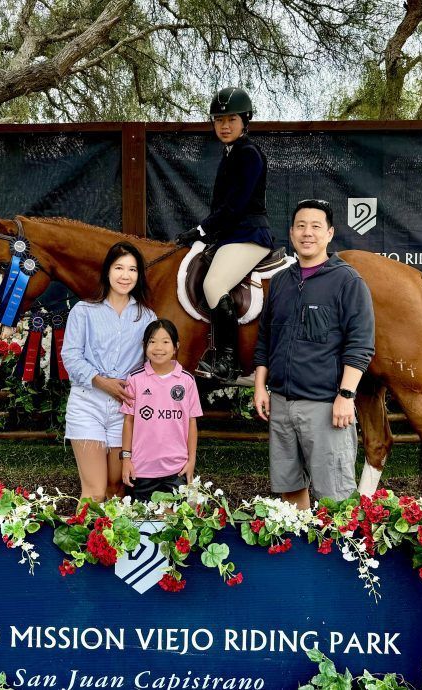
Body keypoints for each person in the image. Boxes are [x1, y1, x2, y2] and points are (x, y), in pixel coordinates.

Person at [252, 200, 375, 508]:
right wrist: (260, 387)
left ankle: (339, 554)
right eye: (301, 226)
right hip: (281, 403)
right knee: (290, 489)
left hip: (325, 405)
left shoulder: (348, 281)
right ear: (292, 233)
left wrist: (346, 395)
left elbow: (360, 344)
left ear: (329, 234)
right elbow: (266, 338)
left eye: (316, 226)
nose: (308, 233)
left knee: (335, 497)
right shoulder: (281, 281)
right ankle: (301, 554)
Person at [175, 86, 273, 381]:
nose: (225, 126)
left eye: (231, 119)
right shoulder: (230, 154)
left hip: (249, 234)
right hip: (232, 234)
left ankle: (227, 360)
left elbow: (236, 206)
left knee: (214, 284)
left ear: (245, 121)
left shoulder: (249, 154)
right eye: (219, 120)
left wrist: (202, 229)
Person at [62, 242, 157, 501]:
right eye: (119, 268)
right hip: (87, 405)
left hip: (123, 410)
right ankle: (85, 541)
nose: (125, 275)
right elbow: (70, 356)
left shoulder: (147, 317)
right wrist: (102, 382)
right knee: (94, 491)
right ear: (107, 271)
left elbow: (151, 364)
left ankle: (112, 542)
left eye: (132, 269)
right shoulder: (84, 311)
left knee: (116, 488)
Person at [119, 319, 202, 502]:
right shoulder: (135, 379)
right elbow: (128, 421)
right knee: (143, 522)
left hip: (176, 468)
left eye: (165, 342)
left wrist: (191, 461)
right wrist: (126, 459)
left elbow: (191, 423)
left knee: (176, 522)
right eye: (152, 341)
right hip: (142, 468)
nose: (158, 347)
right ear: (144, 345)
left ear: (176, 346)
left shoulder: (186, 380)